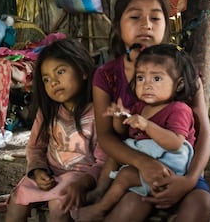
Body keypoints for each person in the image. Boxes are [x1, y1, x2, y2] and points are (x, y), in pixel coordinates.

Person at [91, 0, 210, 221]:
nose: (146, 24)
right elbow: (106, 136)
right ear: (118, 25)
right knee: (130, 208)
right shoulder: (107, 75)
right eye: (135, 16)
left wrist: (189, 181)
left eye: (155, 18)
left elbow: (204, 134)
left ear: (166, 27)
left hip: (180, 170)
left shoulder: (185, 75)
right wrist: (143, 163)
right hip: (133, 167)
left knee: (201, 203)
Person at [76, 44, 200, 221]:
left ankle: (100, 209)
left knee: (126, 175)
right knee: (115, 153)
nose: (147, 85)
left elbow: (175, 143)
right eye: (141, 78)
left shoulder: (179, 109)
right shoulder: (140, 107)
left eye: (156, 79)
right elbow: (123, 132)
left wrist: (147, 125)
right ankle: (101, 190)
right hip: (149, 156)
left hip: (170, 166)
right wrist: (119, 117)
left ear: (179, 84)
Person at [5, 38, 106, 222]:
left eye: (60, 71)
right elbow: (35, 148)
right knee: (18, 196)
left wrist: (84, 183)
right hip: (51, 176)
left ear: (83, 71)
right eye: (46, 79)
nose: (54, 82)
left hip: (82, 179)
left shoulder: (98, 113)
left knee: (58, 204)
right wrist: (38, 171)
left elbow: (103, 161)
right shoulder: (48, 112)